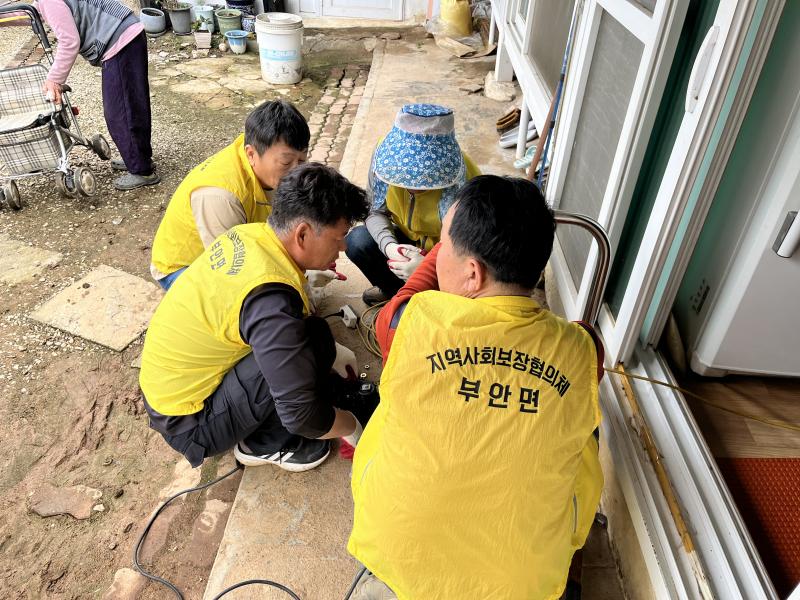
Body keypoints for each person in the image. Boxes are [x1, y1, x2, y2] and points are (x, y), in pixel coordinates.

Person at [347, 175, 604, 599]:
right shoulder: (582, 349)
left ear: (471, 272)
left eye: (441, 246)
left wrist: (437, 260)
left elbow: (393, 309)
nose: (433, 255)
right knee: (582, 425)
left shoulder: (412, 319)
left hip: (397, 551)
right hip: (519, 583)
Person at [139, 163, 369, 471]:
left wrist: (328, 355)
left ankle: (257, 417)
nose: (342, 248)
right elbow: (301, 416)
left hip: (170, 385)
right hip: (190, 422)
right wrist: (352, 426)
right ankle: (263, 444)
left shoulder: (252, 235)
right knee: (303, 355)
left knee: (313, 335)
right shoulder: (270, 301)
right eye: (338, 238)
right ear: (302, 234)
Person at [150, 100, 314, 291]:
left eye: (302, 160)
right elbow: (231, 270)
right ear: (251, 154)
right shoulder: (220, 195)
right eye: (286, 163)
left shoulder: (266, 161)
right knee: (246, 306)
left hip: (238, 239)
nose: (296, 172)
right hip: (185, 267)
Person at [345, 103, 480, 305]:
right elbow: (375, 211)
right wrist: (390, 247)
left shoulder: (466, 181)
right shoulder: (384, 154)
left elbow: (470, 256)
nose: (411, 186)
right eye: (404, 177)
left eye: (424, 179)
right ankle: (397, 295)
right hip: (408, 242)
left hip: (445, 255)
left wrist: (429, 267)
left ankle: (430, 302)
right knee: (358, 241)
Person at [37, 0, 159, 190]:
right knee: (132, 105)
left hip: (119, 40)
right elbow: (36, 12)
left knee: (120, 112)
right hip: (126, 31)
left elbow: (70, 41)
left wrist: (54, 79)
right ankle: (138, 158)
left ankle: (142, 170)